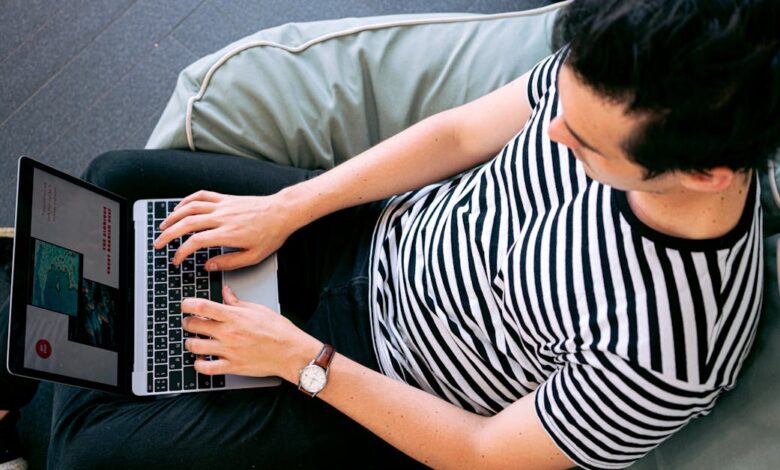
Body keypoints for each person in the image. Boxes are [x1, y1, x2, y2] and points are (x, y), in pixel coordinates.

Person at [2, 0, 779, 468]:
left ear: (706, 172)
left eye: (584, 145)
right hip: (370, 238)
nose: (552, 139)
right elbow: (454, 135)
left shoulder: (667, 353)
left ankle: (47, 369)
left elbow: (481, 454)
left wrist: (297, 359)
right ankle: (75, 359)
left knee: (88, 458)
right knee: (120, 177)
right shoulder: (619, 69)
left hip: (378, 384)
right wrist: (293, 206)